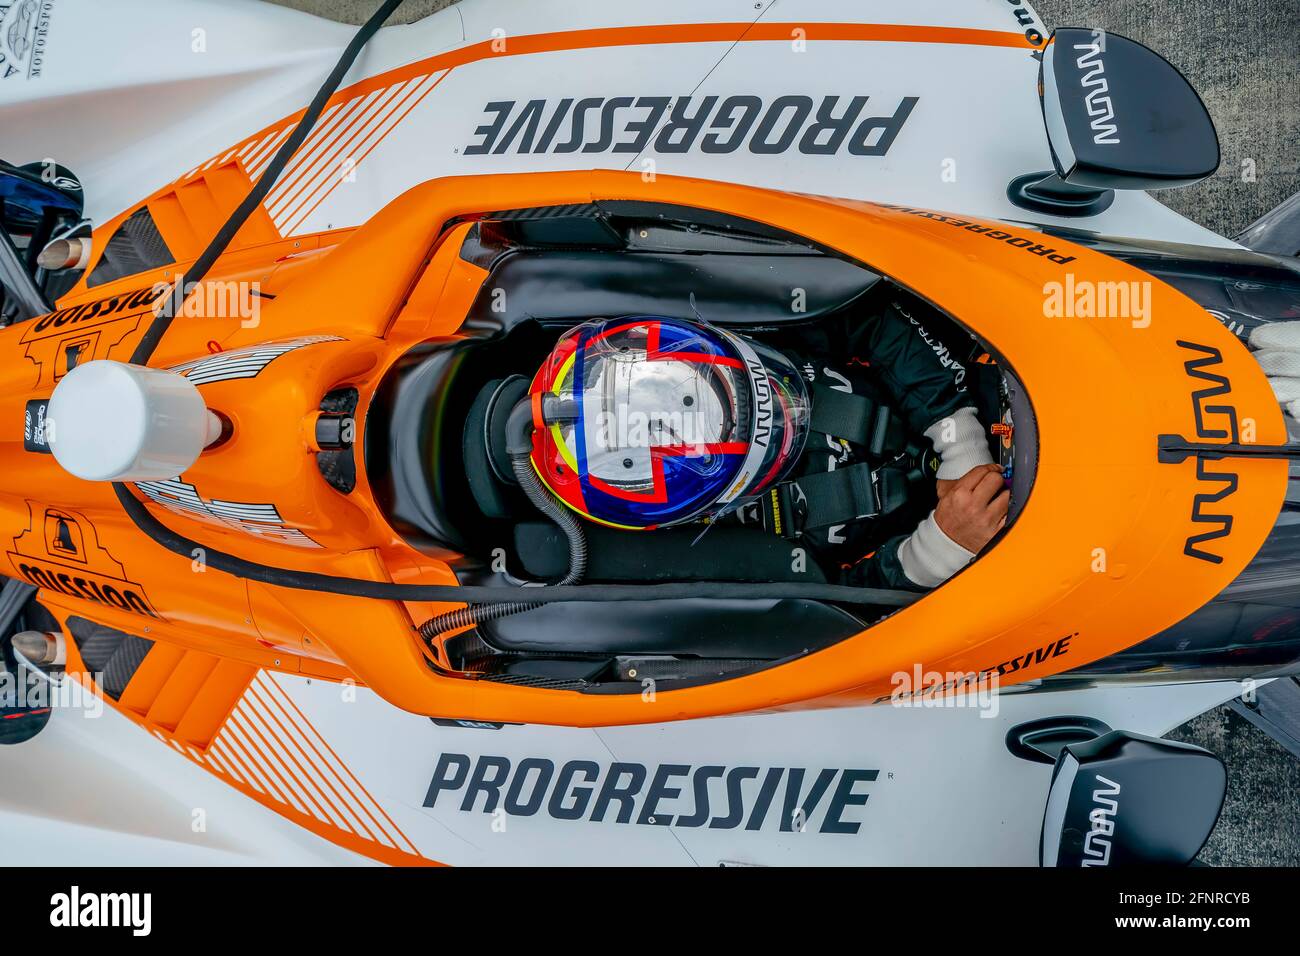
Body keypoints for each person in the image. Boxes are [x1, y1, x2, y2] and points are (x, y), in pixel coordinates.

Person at [526, 303, 1008, 591]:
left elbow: (871, 317)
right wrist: (945, 543)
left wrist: (958, 440)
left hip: (986, 381)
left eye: (733, 390)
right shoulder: (754, 554)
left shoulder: (773, 325)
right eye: (755, 432)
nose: (784, 414)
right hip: (987, 545)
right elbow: (858, 605)